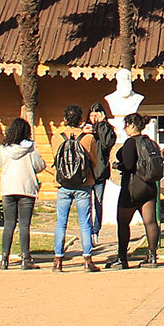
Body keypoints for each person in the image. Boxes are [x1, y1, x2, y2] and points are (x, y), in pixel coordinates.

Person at [51, 104, 99, 273]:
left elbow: (55, 160)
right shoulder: (88, 138)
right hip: (83, 184)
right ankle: (87, 259)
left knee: (61, 223)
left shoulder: (56, 137)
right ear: (80, 120)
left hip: (63, 184)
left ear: (65, 119)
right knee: (85, 223)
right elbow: (94, 161)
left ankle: (58, 260)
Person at [113, 112, 161, 269]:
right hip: (149, 187)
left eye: (126, 125)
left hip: (132, 187)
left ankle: (122, 258)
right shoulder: (150, 142)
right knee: (150, 221)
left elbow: (128, 165)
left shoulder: (130, 143)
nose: (125, 129)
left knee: (123, 222)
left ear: (132, 125)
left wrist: (117, 166)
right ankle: (152, 256)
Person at [0, 117, 45, 270]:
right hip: (26, 188)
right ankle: (25, 258)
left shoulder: (3, 148)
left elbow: (0, 163)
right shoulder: (31, 148)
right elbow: (39, 165)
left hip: (9, 188)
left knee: (9, 224)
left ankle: (4, 259)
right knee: (24, 224)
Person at [86, 101, 118, 239]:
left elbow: (106, 144)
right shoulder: (85, 129)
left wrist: (102, 125)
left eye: (96, 115)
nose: (94, 118)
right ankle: (87, 230)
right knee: (87, 203)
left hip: (100, 172)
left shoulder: (107, 129)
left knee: (98, 201)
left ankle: (96, 229)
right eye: (92, 115)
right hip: (87, 172)